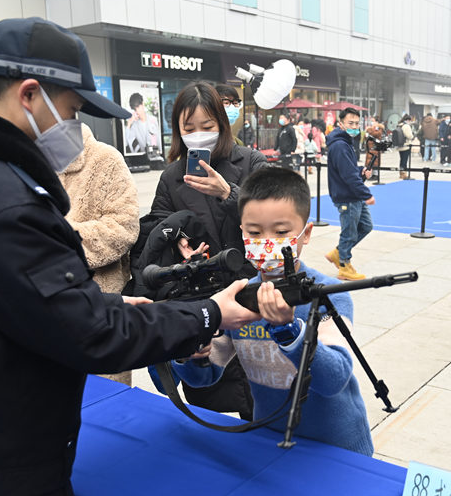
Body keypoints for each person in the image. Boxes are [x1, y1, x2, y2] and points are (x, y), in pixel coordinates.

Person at [0, 17, 259, 496]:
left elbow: (6, 308)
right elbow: (95, 337)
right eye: (74, 110)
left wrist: (110, 307)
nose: (76, 129)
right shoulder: (4, 202)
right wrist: (212, 313)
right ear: (30, 95)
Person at [159, 167, 374, 456]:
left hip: (337, 446)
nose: (267, 242)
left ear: (305, 233)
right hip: (270, 441)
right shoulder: (239, 295)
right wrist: (191, 354)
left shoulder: (327, 294)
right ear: (242, 233)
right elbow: (205, 377)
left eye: (282, 231)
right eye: (255, 232)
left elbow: (334, 379)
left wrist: (289, 331)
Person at [150, 80, 267, 420]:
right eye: (189, 128)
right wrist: (177, 242)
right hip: (201, 302)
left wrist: (228, 193)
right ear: (178, 131)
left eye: (207, 126)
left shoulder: (250, 162)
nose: (198, 135)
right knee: (210, 407)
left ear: (222, 123)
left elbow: (274, 215)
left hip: (249, 295)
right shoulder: (172, 177)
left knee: (258, 400)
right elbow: (156, 230)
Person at [59, 123, 140, 385]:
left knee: (105, 403)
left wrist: (57, 239)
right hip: (41, 310)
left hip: (100, 305)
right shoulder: (19, 162)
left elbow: (123, 227)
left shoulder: (104, 159)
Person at [324, 107, 374, 281]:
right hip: (347, 195)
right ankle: (344, 266)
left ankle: (338, 252)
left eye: (356, 123)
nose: (354, 126)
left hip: (353, 193)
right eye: (350, 123)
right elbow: (347, 175)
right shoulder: (339, 145)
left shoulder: (347, 142)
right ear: (341, 124)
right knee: (349, 232)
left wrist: (361, 171)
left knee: (366, 226)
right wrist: (366, 194)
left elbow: (349, 169)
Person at [395, 115, 414, 179]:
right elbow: (409, 136)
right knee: (405, 160)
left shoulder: (399, 125)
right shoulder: (406, 126)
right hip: (406, 145)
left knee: (402, 159)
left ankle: (401, 173)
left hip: (400, 145)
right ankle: (404, 174)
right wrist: (412, 136)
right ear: (408, 120)